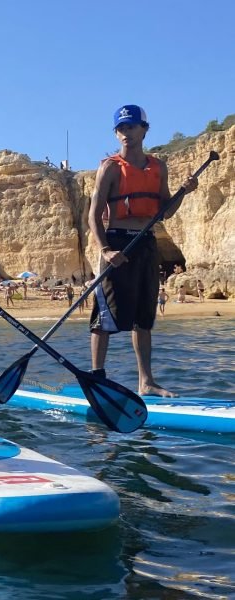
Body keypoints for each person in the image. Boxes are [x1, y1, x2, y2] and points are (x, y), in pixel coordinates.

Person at [88, 105, 197, 397]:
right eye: (121, 128)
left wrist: (184, 193)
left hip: (146, 243)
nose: (126, 133)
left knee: (143, 316)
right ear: (116, 132)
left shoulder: (158, 167)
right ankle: (98, 377)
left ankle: (146, 381)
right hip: (117, 241)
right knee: (106, 315)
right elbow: (94, 215)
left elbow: (165, 212)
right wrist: (106, 249)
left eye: (132, 127)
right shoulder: (110, 167)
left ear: (144, 130)